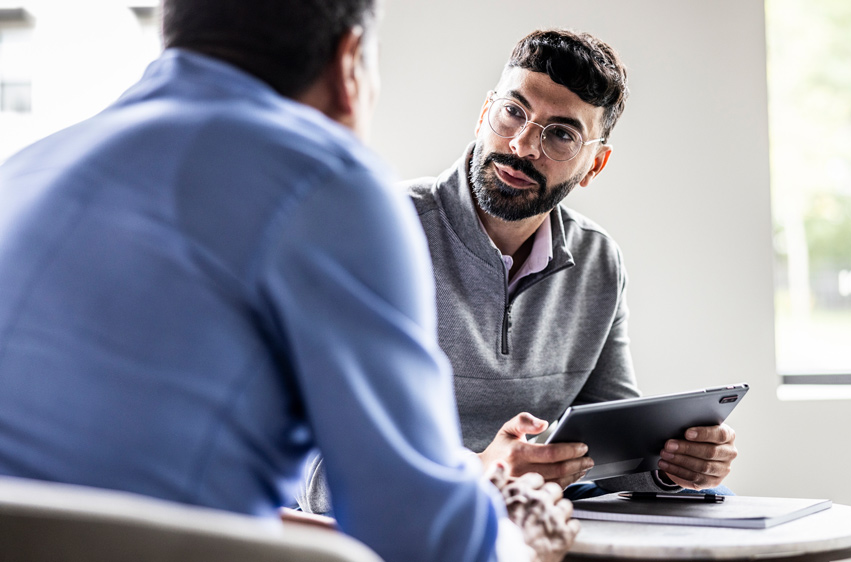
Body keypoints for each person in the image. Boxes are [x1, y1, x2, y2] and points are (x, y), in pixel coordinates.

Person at [0, 2, 578, 561]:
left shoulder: (25, 169)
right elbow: (419, 538)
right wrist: (518, 537)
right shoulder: (328, 184)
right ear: (350, 63)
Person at [299, 28, 738, 514]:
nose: (524, 143)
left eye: (561, 134)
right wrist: (480, 473)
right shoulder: (377, 230)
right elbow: (310, 466)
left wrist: (671, 465)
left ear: (594, 165)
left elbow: (613, 451)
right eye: (513, 112)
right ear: (485, 113)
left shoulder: (597, 262)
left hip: (530, 529)